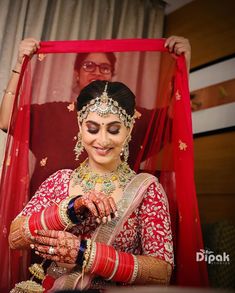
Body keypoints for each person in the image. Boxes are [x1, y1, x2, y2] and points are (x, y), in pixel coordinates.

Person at [8, 80, 174, 292]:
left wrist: (84, 253)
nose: (102, 141)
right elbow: (15, 238)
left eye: (114, 130)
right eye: (93, 128)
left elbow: (161, 274)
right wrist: (70, 210)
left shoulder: (147, 190)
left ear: (129, 128)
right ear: (80, 126)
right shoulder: (60, 181)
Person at [0, 37, 191, 196]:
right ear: (77, 73)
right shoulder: (51, 115)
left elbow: (172, 122)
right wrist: (19, 64)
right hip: (49, 227)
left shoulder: (128, 117)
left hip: (109, 227)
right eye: (88, 65)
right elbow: (6, 120)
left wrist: (183, 66)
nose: (97, 72)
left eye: (104, 67)